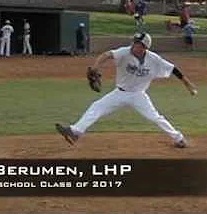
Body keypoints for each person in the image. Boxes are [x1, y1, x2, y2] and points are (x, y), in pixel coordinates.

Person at [55, 32, 198, 148]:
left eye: (138, 44)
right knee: (96, 107)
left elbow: (174, 70)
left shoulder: (154, 59)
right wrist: (95, 67)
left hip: (138, 96)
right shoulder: (124, 52)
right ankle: (75, 132)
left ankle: (178, 138)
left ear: (145, 47)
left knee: (155, 117)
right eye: (134, 42)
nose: (134, 46)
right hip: (119, 93)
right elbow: (107, 55)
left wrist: (188, 85)